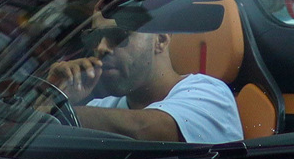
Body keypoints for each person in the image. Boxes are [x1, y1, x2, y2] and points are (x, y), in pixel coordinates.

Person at [48, 15, 245, 143]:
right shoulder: (104, 106)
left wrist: (57, 114)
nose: (101, 48)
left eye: (118, 36)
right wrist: (54, 97)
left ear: (160, 40)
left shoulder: (210, 94)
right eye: (94, 37)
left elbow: (146, 129)